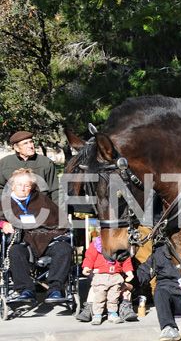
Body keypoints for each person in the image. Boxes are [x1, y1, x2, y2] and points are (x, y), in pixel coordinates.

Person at [0, 168, 72, 302]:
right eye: (19, 185)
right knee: (15, 252)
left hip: (48, 239)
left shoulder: (41, 200)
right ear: (13, 186)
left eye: (27, 185)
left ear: (31, 187)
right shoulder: (5, 204)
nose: (22, 188)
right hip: (23, 242)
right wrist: (3, 224)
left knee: (64, 249)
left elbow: (60, 220)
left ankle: (55, 289)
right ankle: (25, 290)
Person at [129, 241, 181, 341]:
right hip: (168, 302)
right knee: (159, 290)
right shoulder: (159, 251)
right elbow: (143, 273)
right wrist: (130, 284)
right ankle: (168, 328)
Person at [81, 232, 134, 325]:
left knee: (114, 297)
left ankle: (112, 313)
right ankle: (97, 314)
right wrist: (87, 266)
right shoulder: (97, 244)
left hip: (115, 275)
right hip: (101, 275)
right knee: (99, 296)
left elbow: (125, 260)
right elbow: (90, 257)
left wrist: (128, 271)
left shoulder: (120, 245)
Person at [0, 131, 60, 206]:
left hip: (41, 208)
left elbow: (55, 190)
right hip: (13, 208)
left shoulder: (46, 163)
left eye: (31, 142)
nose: (30, 146)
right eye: (25, 143)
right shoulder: (4, 163)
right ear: (16, 148)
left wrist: (57, 211)